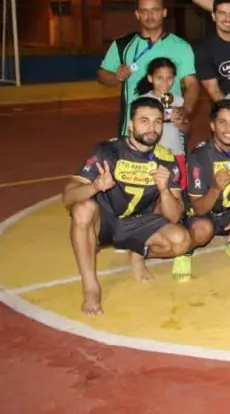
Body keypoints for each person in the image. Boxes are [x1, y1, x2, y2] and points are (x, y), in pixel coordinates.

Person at [63, 96, 192, 315]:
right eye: (144, 120)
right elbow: (68, 197)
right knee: (82, 209)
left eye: (157, 121)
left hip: (137, 223)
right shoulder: (106, 151)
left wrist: (165, 190)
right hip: (104, 221)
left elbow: (173, 216)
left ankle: (137, 252)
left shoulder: (167, 160)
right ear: (130, 124)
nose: (151, 127)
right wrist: (95, 186)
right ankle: (91, 287)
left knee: (181, 241)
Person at [172, 100, 230, 281]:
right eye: (222, 122)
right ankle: (184, 252)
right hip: (205, 214)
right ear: (212, 125)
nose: (229, 128)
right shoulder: (199, 156)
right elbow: (199, 208)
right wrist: (216, 188)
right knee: (202, 230)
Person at [97, 0, 198, 137]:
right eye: (144, 11)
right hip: (132, 129)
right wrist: (116, 77)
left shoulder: (182, 46)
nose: (149, 15)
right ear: (137, 14)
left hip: (169, 128)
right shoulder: (122, 45)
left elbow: (192, 84)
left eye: (155, 10)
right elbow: (102, 75)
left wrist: (184, 110)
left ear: (164, 12)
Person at [136, 57, 190, 188]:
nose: (165, 82)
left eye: (169, 78)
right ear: (150, 78)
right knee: (151, 189)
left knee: (178, 188)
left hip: (175, 153)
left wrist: (180, 123)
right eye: (159, 78)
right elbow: (135, 129)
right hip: (150, 153)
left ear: (174, 78)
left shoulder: (178, 101)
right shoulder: (143, 101)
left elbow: (187, 129)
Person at [195, 0, 230, 102]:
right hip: (227, 103)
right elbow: (214, 91)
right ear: (213, 16)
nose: (228, 19)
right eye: (222, 13)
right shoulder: (204, 49)